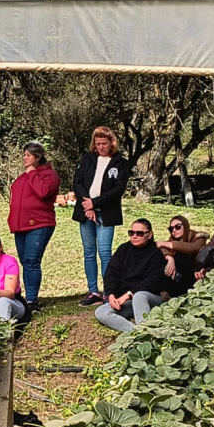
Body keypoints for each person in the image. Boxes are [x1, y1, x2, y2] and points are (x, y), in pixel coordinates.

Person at [72, 126, 130, 307]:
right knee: (89, 252)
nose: (101, 147)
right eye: (98, 144)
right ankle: (93, 291)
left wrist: (95, 203)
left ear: (111, 143)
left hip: (106, 212)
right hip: (86, 212)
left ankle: (108, 292)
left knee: (105, 253)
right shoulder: (88, 158)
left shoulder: (120, 162)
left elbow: (118, 189)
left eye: (104, 143)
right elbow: (77, 182)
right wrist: (86, 204)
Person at [7, 141, 60, 313]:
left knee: (31, 261)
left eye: (28, 155)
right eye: (24, 154)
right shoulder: (23, 176)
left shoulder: (49, 175)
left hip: (39, 224)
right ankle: (25, 297)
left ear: (37, 157)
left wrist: (32, 173)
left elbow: (42, 192)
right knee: (25, 262)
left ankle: (32, 300)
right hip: (20, 226)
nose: (24, 157)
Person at [94, 219, 167, 332]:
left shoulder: (155, 254)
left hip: (148, 297)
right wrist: (111, 294)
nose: (134, 236)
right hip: (126, 301)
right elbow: (111, 273)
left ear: (149, 234)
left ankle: (144, 328)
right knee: (101, 312)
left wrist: (128, 294)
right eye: (131, 233)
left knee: (139, 296)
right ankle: (137, 332)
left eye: (139, 233)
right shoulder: (123, 250)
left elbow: (151, 282)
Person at [155, 215, 208, 298]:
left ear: (185, 225)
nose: (174, 230)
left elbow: (194, 248)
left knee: (180, 257)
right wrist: (169, 258)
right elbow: (161, 249)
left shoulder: (198, 237)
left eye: (177, 227)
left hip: (195, 275)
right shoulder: (171, 240)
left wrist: (164, 243)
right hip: (176, 277)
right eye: (171, 229)